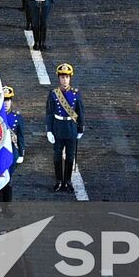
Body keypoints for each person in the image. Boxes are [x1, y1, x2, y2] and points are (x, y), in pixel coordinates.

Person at [46, 63, 82, 193]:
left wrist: (80, 129)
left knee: (70, 157)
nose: (64, 80)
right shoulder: (53, 94)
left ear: (70, 78)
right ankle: (58, 180)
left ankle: (67, 180)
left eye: (67, 77)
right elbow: (49, 113)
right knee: (57, 156)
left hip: (71, 128)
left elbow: (80, 112)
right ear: (59, 78)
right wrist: (49, 130)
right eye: (62, 77)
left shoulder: (76, 94)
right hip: (58, 128)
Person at [0, 86, 25, 214]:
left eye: (8, 100)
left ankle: (7, 207)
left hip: (11, 153)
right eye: (4, 100)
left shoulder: (17, 117)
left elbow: (21, 136)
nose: (6, 103)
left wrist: (21, 152)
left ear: (11, 101)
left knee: (8, 180)